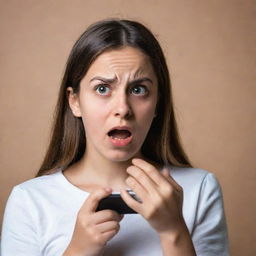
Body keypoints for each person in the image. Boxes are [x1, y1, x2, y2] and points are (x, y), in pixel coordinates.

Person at [1, 19, 229, 256]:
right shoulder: (29, 201)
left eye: (138, 89)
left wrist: (174, 231)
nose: (123, 108)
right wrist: (77, 250)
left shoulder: (199, 189)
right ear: (75, 101)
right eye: (102, 88)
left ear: (158, 103)